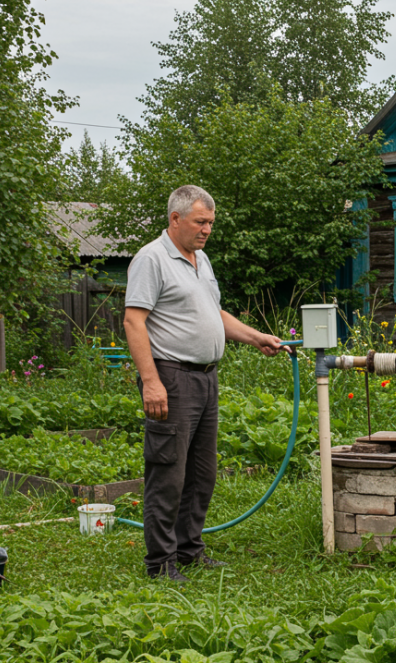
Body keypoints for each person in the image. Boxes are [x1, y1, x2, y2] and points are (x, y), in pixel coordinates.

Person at [123, 185, 285, 582]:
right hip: (173, 379)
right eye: (200, 222)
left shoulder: (200, 259)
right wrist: (151, 382)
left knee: (201, 472)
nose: (207, 229)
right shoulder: (152, 259)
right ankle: (160, 563)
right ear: (175, 219)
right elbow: (133, 321)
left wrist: (256, 336)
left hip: (206, 378)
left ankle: (189, 550)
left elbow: (215, 313)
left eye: (211, 222)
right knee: (168, 472)